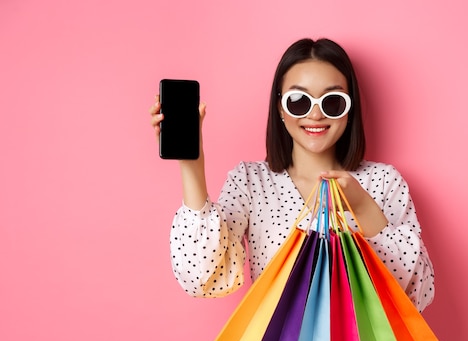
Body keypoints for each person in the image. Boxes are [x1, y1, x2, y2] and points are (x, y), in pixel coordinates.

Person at [149, 38, 435, 312]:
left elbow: (415, 294)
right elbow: (201, 276)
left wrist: (362, 207)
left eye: (332, 102)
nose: (315, 114)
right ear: (280, 108)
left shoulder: (383, 182)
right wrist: (191, 163)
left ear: (350, 109)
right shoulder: (251, 182)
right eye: (298, 100)